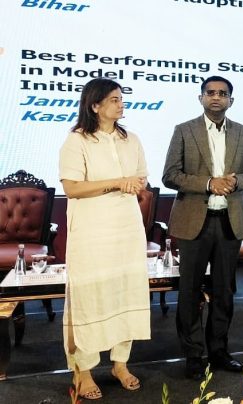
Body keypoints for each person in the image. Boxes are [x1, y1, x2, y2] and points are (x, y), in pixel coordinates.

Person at [162, 76, 243, 379]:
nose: (216, 97)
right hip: (194, 222)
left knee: (224, 291)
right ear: (201, 98)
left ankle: (219, 351)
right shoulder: (184, 130)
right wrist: (208, 183)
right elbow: (170, 175)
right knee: (190, 291)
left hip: (229, 222)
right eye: (210, 92)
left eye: (222, 93)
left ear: (231, 100)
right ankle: (193, 355)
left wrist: (235, 181)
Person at [59, 78, 150, 399]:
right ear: (94, 105)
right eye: (114, 99)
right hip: (91, 232)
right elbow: (72, 188)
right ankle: (83, 371)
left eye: (121, 99)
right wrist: (117, 182)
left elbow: (141, 178)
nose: (121, 104)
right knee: (90, 297)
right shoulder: (77, 140)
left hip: (126, 229)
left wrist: (134, 183)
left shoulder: (131, 139)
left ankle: (120, 364)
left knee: (125, 293)